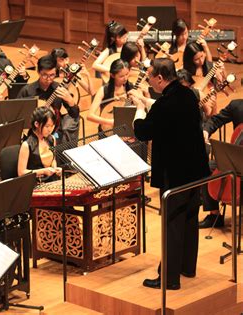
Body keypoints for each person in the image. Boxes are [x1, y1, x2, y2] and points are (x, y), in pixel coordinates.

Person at [132, 58, 210, 290]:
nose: (148, 80)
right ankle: (187, 267)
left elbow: (143, 132)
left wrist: (138, 109)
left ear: (159, 78)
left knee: (173, 224)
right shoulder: (188, 94)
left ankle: (169, 279)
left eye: (149, 76)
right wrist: (148, 102)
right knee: (189, 219)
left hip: (175, 173)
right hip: (195, 169)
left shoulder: (163, 106)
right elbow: (167, 111)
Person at [199, 99, 243, 228]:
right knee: (205, 167)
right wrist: (206, 131)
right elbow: (215, 120)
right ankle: (214, 215)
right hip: (236, 158)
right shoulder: (237, 106)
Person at [17, 54, 79, 144]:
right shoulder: (27, 91)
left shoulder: (60, 89)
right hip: (32, 131)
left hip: (54, 131)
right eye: (45, 75)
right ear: (38, 72)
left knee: (56, 142)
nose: (49, 79)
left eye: (52, 75)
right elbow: (17, 114)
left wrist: (70, 101)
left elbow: (74, 115)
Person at [87, 59, 133, 130]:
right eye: (121, 76)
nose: (125, 78)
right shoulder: (104, 90)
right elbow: (90, 116)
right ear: (112, 75)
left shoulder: (130, 87)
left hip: (125, 129)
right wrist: (111, 122)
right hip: (107, 129)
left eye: (127, 74)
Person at [18, 106, 61, 181]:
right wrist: (43, 171)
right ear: (36, 124)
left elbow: (53, 160)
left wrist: (55, 169)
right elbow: (21, 173)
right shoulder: (26, 145)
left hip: (52, 180)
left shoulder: (52, 139)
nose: (50, 129)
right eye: (47, 126)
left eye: (52, 126)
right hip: (36, 183)